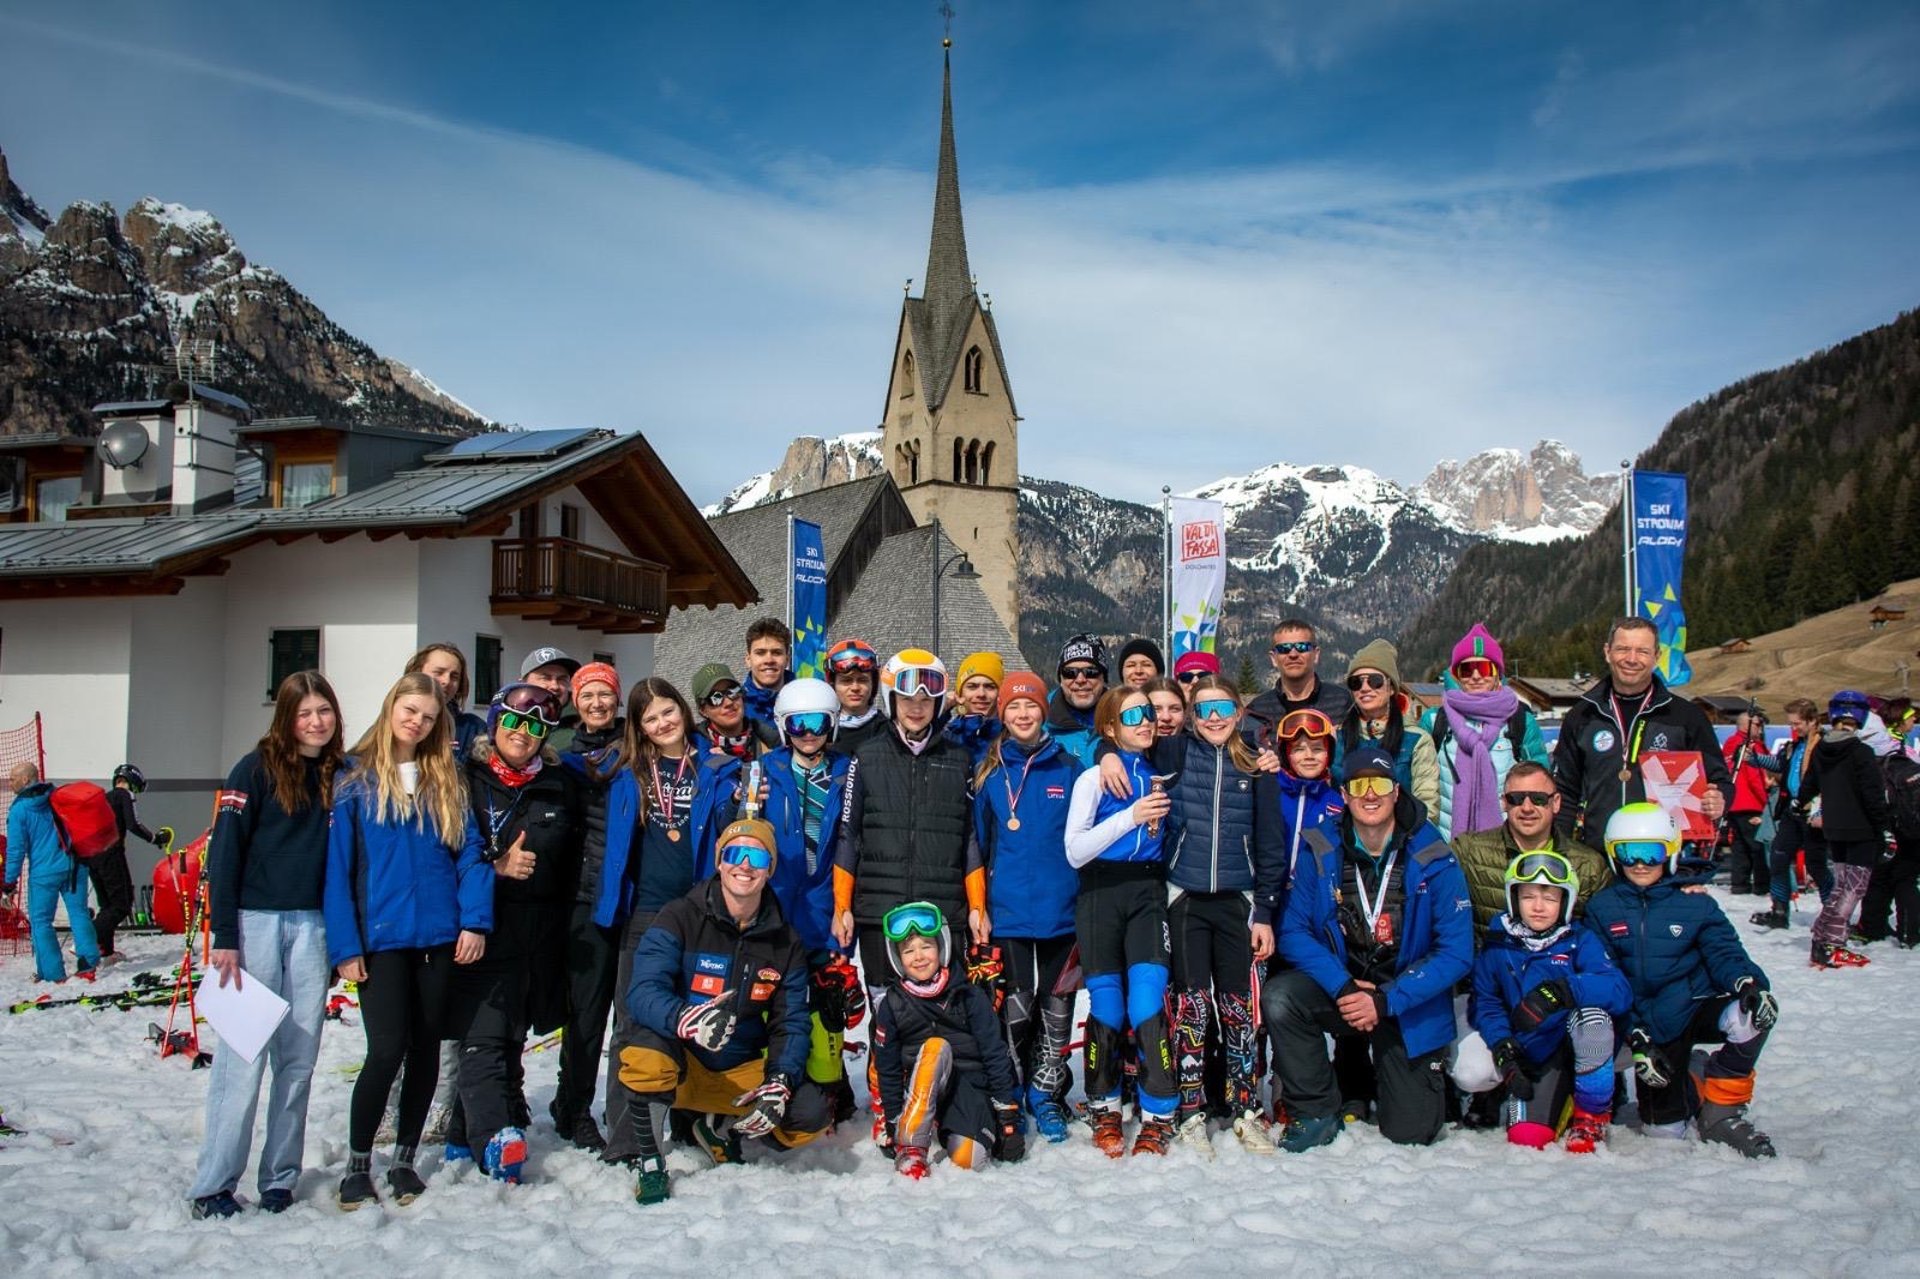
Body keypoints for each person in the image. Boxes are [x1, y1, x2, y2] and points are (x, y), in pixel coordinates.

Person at [323, 672, 492, 1208]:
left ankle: (402, 1159)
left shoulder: (447, 777)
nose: (416, 721)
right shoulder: (355, 776)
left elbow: (470, 854)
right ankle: (357, 1164)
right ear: (391, 706)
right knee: (386, 1050)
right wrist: (345, 947)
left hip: (439, 936)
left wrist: (475, 921)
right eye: (409, 709)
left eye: (428, 715)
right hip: (383, 938)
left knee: (424, 1052)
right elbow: (338, 869)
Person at [186, 671, 345, 1219]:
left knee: (297, 1062)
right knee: (241, 1058)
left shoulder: (339, 775)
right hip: (254, 926)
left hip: (313, 928)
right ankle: (214, 1184)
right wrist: (224, 935)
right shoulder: (251, 770)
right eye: (305, 713)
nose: (316, 722)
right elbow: (224, 856)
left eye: (324, 711)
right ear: (285, 717)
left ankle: (280, 1177)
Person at [617, 816, 833, 1205]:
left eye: (756, 856)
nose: (744, 865)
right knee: (643, 1052)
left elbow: (792, 1023)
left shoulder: (786, 941)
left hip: (737, 1072)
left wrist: (781, 1080)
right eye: (734, 853)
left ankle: (722, 1128)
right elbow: (643, 990)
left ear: (769, 868)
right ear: (719, 861)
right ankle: (650, 1161)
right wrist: (686, 1019)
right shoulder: (679, 915)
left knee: (810, 1114)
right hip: (681, 1063)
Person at [1267, 746, 1472, 1151]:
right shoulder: (1321, 848)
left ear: (1397, 791)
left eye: (1379, 784)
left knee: (1411, 1131)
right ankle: (1315, 1110)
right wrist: (1343, 987)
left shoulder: (1434, 855)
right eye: (1358, 785)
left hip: (1405, 998)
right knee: (1281, 997)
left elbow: (1457, 952)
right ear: (1344, 795)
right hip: (1346, 986)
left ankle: (1419, 1080)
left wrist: (1386, 1001)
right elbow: (1292, 930)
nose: (1370, 794)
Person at [832, 648, 986, 1146]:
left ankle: (941, 1103)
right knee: (886, 1018)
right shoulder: (867, 756)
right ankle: (888, 1108)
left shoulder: (959, 760)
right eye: (907, 696)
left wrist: (978, 905)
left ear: (940, 702)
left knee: (946, 1012)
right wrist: (842, 905)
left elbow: (969, 839)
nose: (917, 706)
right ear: (891, 698)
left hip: (944, 909)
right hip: (880, 909)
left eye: (928, 697)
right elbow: (849, 834)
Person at [444, 683, 583, 1183]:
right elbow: (449, 850)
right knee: (483, 1036)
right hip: (483, 926)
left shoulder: (559, 782)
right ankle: (493, 1137)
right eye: (514, 723)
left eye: (536, 727)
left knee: (513, 1031)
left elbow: (575, 855)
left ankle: (463, 1130)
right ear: (495, 724)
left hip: (540, 928)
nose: (523, 735)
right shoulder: (467, 779)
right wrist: (494, 866)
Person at [1584, 803, 1778, 1157]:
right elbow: (1604, 976)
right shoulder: (1602, 908)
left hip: (1688, 1009)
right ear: (1614, 855)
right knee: (1663, 1132)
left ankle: (1723, 1111)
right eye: (1628, 853)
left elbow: (1725, 953)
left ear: (1670, 852)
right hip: (1641, 1025)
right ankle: (1692, 1077)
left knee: (1751, 1014)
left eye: (1652, 852)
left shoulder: (1695, 905)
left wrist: (1748, 983)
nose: (1640, 863)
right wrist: (1635, 1034)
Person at [595, 677, 734, 1167]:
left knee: (691, 1015)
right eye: (650, 718)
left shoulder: (716, 767)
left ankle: (686, 1115)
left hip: (696, 910)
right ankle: (626, 1134)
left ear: (683, 710)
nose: (662, 722)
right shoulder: (627, 770)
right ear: (639, 727)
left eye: (668, 710)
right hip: (645, 911)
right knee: (633, 1019)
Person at [1154, 676, 1285, 1156]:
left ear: (1238, 710)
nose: (1213, 717)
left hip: (1238, 900)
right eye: (1204, 709)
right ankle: (1191, 1111)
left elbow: (1271, 843)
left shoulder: (1256, 761)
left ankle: (1245, 1107)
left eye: (1222, 707)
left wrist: (1265, 911)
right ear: (1191, 714)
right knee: (1190, 1010)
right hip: (1185, 896)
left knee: (1239, 1011)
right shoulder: (1173, 754)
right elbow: (1123, 744)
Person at [720, 677, 861, 1120]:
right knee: (771, 995)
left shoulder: (848, 770)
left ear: (833, 724)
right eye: (797, 724)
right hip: (776, 902)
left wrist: (845, 904)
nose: (808, 733)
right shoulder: (765, 770)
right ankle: (767, 1078)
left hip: (825, 903)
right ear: (783, 727)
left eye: (818, 722)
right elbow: (741, 829)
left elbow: (852, 837)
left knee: (826, 1002)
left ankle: (828, 1084)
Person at [1450, 850, 1632, 1152]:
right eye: (1528, 896)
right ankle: (1530, 1095)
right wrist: (1503, 1049)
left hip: (1571, 1045)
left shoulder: (1578, 940)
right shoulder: (1498, 944)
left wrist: (1562, 992)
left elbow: (1617, 989)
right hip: (1527, 1049)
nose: (1538, 907)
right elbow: (1487, 1002)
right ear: (1513, 898)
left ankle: (1592, 1112)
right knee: (1527, 1138)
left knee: (1594, 1019)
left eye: (1549, 898)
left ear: (1565, 902)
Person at [1063, 687, 1179, 1157]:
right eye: (1133, 716)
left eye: (1149, 714)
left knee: (1148, 1002)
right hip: (1099, 894)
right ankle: (1104, 1105)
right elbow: (1074, 851)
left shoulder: (1162, 770)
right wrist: (1131, 816)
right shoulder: (1093, 777)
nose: (1146, 722)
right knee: (1108, 1007)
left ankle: (1159, 1112)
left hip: (1148, 893)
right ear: (1110, 728)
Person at [972, 671, 1082, 1142]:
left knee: (1058, 1007)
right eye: (1014, 707)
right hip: (1010, 910)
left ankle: (1047, 1093)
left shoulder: (1070, 768)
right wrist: (979, 906)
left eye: (1031, 706)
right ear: (1003, 714)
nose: (1022, 714)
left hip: (1063, 909)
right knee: (1014, 1008)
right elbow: (977, 844)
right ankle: (1013, 1089)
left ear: (1043, 710)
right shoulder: (989, 771)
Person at [871, 900, 1024, 1177]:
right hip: (918, 1088)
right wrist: (894, 1119)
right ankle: (912, 1146)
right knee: (936, 1048)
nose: (918, 957)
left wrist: (1006, 1116)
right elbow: (888, 1067)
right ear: (897, 958)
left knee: (969, 1159)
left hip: (966, 1088)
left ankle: (942, 1127)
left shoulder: (968, 995)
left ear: (941, 947)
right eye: (908, 951)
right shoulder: (892, 1004)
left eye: (926, 947)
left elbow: (994, 1053)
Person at [1551, 616, 1731, 852]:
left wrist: (1721, 800)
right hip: (1599, 856)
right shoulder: (1582, 715)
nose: (1631, 659)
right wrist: (1561, 851)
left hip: (1663, 857)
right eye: (1623, 649)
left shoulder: (1686, 716)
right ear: (1607, 652)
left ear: (1656, 657)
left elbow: (1720, 781)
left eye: (1642, 651)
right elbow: (1565, 790)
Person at [551, 661, 625, 1150]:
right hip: (581, 895)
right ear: (576, 702)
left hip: (631, 893)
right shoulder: (560, 754)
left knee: (633, 1014)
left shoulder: (634, 747)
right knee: (586, 1013)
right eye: (588, 695)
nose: (597, 703)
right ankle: (573, 1105)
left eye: (605, 694)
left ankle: (635, 1103)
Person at [1452, 761, 1612, 936]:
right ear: (1505, 802)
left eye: (1538, 799)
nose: (1527, 808)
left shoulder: (1589, 866)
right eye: (1517, 799)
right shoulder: (1469, 852)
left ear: (1556, 802)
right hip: (1490, 960)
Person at [1421, 624, 1549, 842]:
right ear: (1457, 675)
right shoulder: (1435, 721)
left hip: (1508, 842)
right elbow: (1422, 783)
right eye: (1468, 670)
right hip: (1447, 843)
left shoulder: (1520, 721)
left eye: (1485, 668)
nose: (1477, 676)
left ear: (1498, 673)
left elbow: (1541, 785)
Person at [1801, 690, 1891, 969]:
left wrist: (1796, 803)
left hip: (1836, 827)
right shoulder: (1861, 752)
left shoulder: (1822, 748)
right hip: (1861, 828)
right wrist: (1884, 828)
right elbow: (1872, 794)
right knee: (1853, 889)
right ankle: (1832, 944)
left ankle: (1822, 936)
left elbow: (1809, 784)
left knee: (1842, 886)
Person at [4, 763, 102, 983]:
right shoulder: (56, 796)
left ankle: (53, 973)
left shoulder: (19, 810)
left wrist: (9, 883)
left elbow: (15, 850)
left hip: (43, 873)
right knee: (78, 914)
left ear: (27, 780)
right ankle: (88, 963)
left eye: (13, 779)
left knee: (40, 922)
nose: (10, 783)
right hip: (73, 865)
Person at [1750, 698, 1832, 931]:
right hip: (1791, 811)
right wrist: (1753, 758)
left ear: (1812, 720)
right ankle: (1779, 910)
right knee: (1778, 858)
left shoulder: (1823, 746)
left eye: (1797, 724)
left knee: (1816, 866)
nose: (1793, 728)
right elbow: (1780, 765)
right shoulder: (1795, 746)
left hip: (1813, 811)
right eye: (1791, 724)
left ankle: (1832, 911)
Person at [1339, 639, 1440, 817]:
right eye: (1356, 682)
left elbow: (1427, 805)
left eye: (1375, 681)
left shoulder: (1416, 740)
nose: (1364, 688)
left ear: (1391, 688)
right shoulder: (1338, 738)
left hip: (1403, 839)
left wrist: (1409, 842)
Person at [98, 762, 170, 959]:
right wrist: (155, 838)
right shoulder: (125, 795)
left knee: (107, 905)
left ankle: (105, 950)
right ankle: (86, 940)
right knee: (122, 904)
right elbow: (133, 824)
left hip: (94, 857)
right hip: (113, 854)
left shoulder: (104, 798)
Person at [1243, 618, 1353, 744]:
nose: (1293, 654)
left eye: (1302, 647)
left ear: (1316, 654)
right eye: (1284, 648)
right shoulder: (1257, 710)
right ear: (1273, 658)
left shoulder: (1342, 702)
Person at [1858, 728, 1920, 947]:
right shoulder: (1907, 762)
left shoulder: (1873, 769)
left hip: (1887, 830)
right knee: (1906, 880)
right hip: (1913, 831)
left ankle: (1873, 929)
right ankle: (1910, 932)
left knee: (1879, 879)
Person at [1721, 709, 1774, 896]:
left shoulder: (1729, 743)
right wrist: (1766, 802)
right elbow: (1755, 777)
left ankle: (1739, 884)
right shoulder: (1750, 746)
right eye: (1758, 725)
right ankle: (1762, 885)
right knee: (1758, 846)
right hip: (1751, 802)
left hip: (1733, 803)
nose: (1761, 730)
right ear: (1747, 725)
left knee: (1739, 847)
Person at [406, 642, 487, 760]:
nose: (446, 681)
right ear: (417, 672)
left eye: (454, 677)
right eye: (438, 672)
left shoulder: (472, 729)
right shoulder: (399, 722)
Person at [1046, 634, 1108, 766]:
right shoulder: (1039, 722)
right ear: (1061, 679)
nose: (1080, 680)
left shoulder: (1125, 718)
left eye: (1091, 672)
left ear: (1104, 677)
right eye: (1070, 673)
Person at [825, 638, 887, 754]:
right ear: (833, 685)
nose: (855, 688)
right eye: (846, 681)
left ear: (873, 684)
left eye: (862, 680)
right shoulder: (821, 731)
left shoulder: (888, 731)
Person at [690, 662, 761, 764]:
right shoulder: (693, 748)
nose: (728, 702)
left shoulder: (769, 739)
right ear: (703, 710)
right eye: (715, 698)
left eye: (732, 691)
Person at [945, 651, 1005, 766]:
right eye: (972, 687)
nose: (981, 694)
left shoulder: (1011, 738)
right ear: (960, 693)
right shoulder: (946, 737)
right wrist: (941, 708)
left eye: (989, 687)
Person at [741, 616, 794, 746]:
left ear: (787, 659)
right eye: (760, 653)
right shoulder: (736, 708)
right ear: (748, 659)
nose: (769, 660)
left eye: (776, 653)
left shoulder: (806, 701)